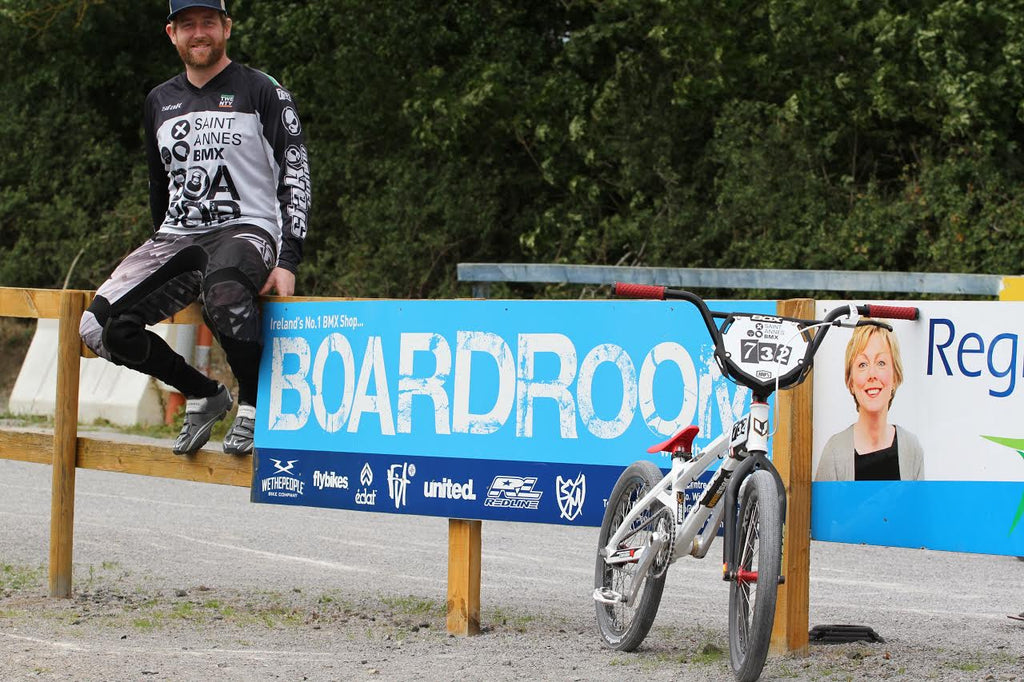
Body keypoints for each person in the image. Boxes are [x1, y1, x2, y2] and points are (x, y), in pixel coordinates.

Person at [79, 0, 311, 456]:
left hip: (246, 228)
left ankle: (253, 403)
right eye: (188, 25)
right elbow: (157, 185)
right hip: (177, 235)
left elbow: (296, 171)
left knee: (223, 293)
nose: (199, 32)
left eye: (208, 22)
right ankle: (204, 394)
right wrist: (156, 257)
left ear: (226, 27)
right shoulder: (159, 100)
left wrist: (289, 258)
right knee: (97, 327)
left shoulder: (262, 90)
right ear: (172, 33)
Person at [815, 322, 924, 481]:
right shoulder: (835, 451)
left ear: (895, 376)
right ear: (851, 382)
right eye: (862, 364)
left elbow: (918, 506)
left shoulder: (911, 448)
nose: (872, 374)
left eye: (881, 363)